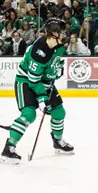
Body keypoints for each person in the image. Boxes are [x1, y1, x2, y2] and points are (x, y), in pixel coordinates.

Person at [1, 18, 74, 164]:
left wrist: (56, 69)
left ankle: (57, 141)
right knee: (29, 114)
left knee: (59, 111)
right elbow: (34, 81)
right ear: (53, 34)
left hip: (45, 83)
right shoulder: (38, 52)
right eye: (62, 32)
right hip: (26, 82)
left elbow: (55, 61)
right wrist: (42, 99)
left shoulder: (60, 45)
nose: (65, 34)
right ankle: (8, 149)